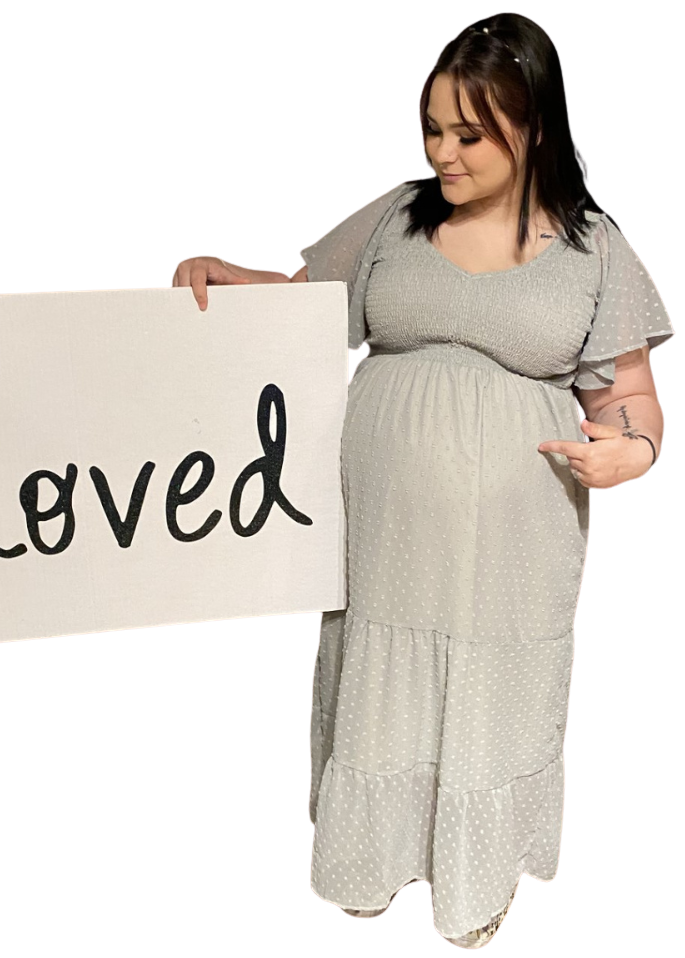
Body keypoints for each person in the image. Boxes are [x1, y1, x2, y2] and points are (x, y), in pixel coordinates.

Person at [171, 13, 674, 949]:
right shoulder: (398, 216)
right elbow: (301, 299)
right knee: (378, 677)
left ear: (533, 127)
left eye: (469, 134)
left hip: (513, 545)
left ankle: (475, 874)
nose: (443, 153)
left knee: (491, 689)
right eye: (433, 129)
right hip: (384, 538)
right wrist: (226, 274)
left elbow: (630, 396)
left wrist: (632, 449)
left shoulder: (594, 249)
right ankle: (371, 858)